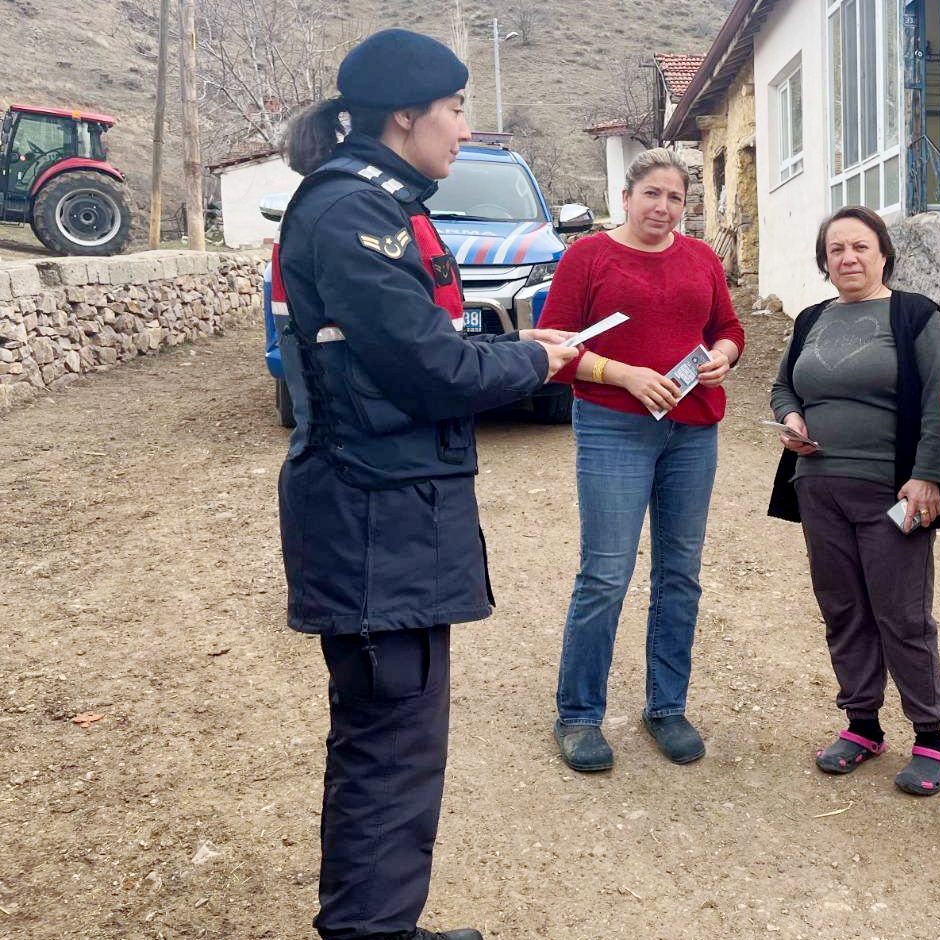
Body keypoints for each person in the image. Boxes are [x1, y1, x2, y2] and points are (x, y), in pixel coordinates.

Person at [273, 29, 577, 940]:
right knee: (387, 747)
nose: (462, 128)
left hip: (397, 510)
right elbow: (426, 370)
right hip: (373, 519)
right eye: (452, 109)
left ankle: (380, 926)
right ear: (404, 116)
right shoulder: (347, 214)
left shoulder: (384, 203)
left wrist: (519, 353)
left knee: (398, 744)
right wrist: (532, 359)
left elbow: (423, 349)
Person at [540, 148, 745, 772]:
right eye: (651, 194)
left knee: (679, 573)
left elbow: (729, 327)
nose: (663, 207)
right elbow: (554, 348)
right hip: (613, 427)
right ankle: (578, 715)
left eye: (675, 198)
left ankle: (666, 707)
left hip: (691, 430)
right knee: (605, 573)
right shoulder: (588, 258)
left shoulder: (701, 258)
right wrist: (624, 374)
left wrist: (724, 357)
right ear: (626, 197)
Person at [768, 206, 940, 795]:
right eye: (836, 250)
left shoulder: (914, 316)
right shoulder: (810, 320)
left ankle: (930, 738)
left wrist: (928, 476)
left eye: (860, 247)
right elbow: (782, 387)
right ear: (824, 261)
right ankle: (861, 725)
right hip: (818, 488)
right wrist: (791, 416)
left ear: (883, 254)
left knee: (901, 614)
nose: (848, 258)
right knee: (843, 608)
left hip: (894, 492)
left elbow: (939, 400)